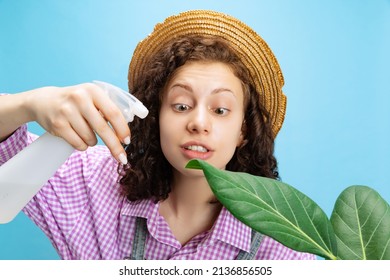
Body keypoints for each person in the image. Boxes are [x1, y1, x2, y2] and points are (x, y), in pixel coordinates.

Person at [0, 10, 315, 260]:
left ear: (243, 131)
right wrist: (28, 103)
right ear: (157, 116)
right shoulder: (92, 181)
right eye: (180, 105)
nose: (198, 123)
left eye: (220, 110)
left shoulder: (283, 246)